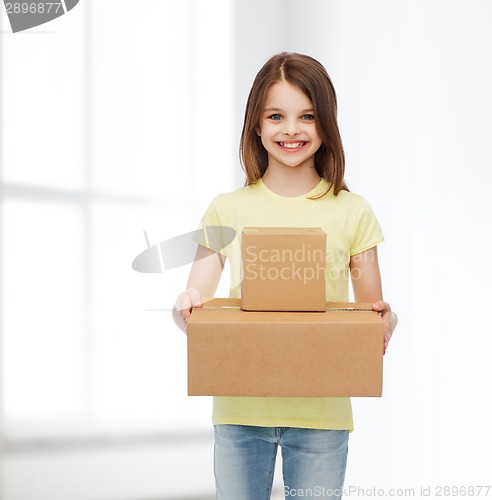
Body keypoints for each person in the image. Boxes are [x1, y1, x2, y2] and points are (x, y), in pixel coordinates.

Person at [173, 52, 398, 500]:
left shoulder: (353, 212)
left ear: (326, 124)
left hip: (322, 413)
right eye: (276, 116)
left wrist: (386, 324)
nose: (291, 130)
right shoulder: (227, 209)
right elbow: (195, 303)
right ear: (256, 126)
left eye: (307, 116)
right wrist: (184, 308)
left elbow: (368, 316)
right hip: (240, 409)